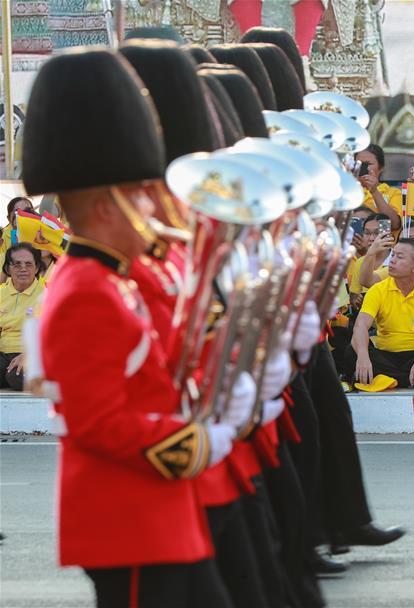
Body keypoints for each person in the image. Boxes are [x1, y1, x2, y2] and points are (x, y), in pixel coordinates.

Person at [21, 48, 244, 606]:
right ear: (102, 203)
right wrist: (194, 444)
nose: (156, 202)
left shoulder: (112, 279)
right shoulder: (84, 291)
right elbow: (97, 422)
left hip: (158, 509)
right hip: (129, 516)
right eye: (141, 193)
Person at [347, 238, 414, 389]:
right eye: (393, 255)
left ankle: (384, 379)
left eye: (400, 257)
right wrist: (363, 355)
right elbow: (361, 326)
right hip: (385, 354)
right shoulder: (378, 289)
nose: (392, 261)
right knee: (353, 351)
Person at [0, 243, 44, 391]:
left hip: (33, 353)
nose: (23, 269)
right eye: (17, 264)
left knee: (16, 378)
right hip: (3, 353)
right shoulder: (1, 293)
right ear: (8, 269)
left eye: (28, 264)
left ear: (37, 268)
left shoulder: (48, 294)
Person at [356, 144, 402, 230]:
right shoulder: (344, 191)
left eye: (368, 164)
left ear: (381, 168)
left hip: (380, 241)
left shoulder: (393, 193)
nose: (363, 168)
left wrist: (374, 192)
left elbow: (394, 225)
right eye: (359, 163)